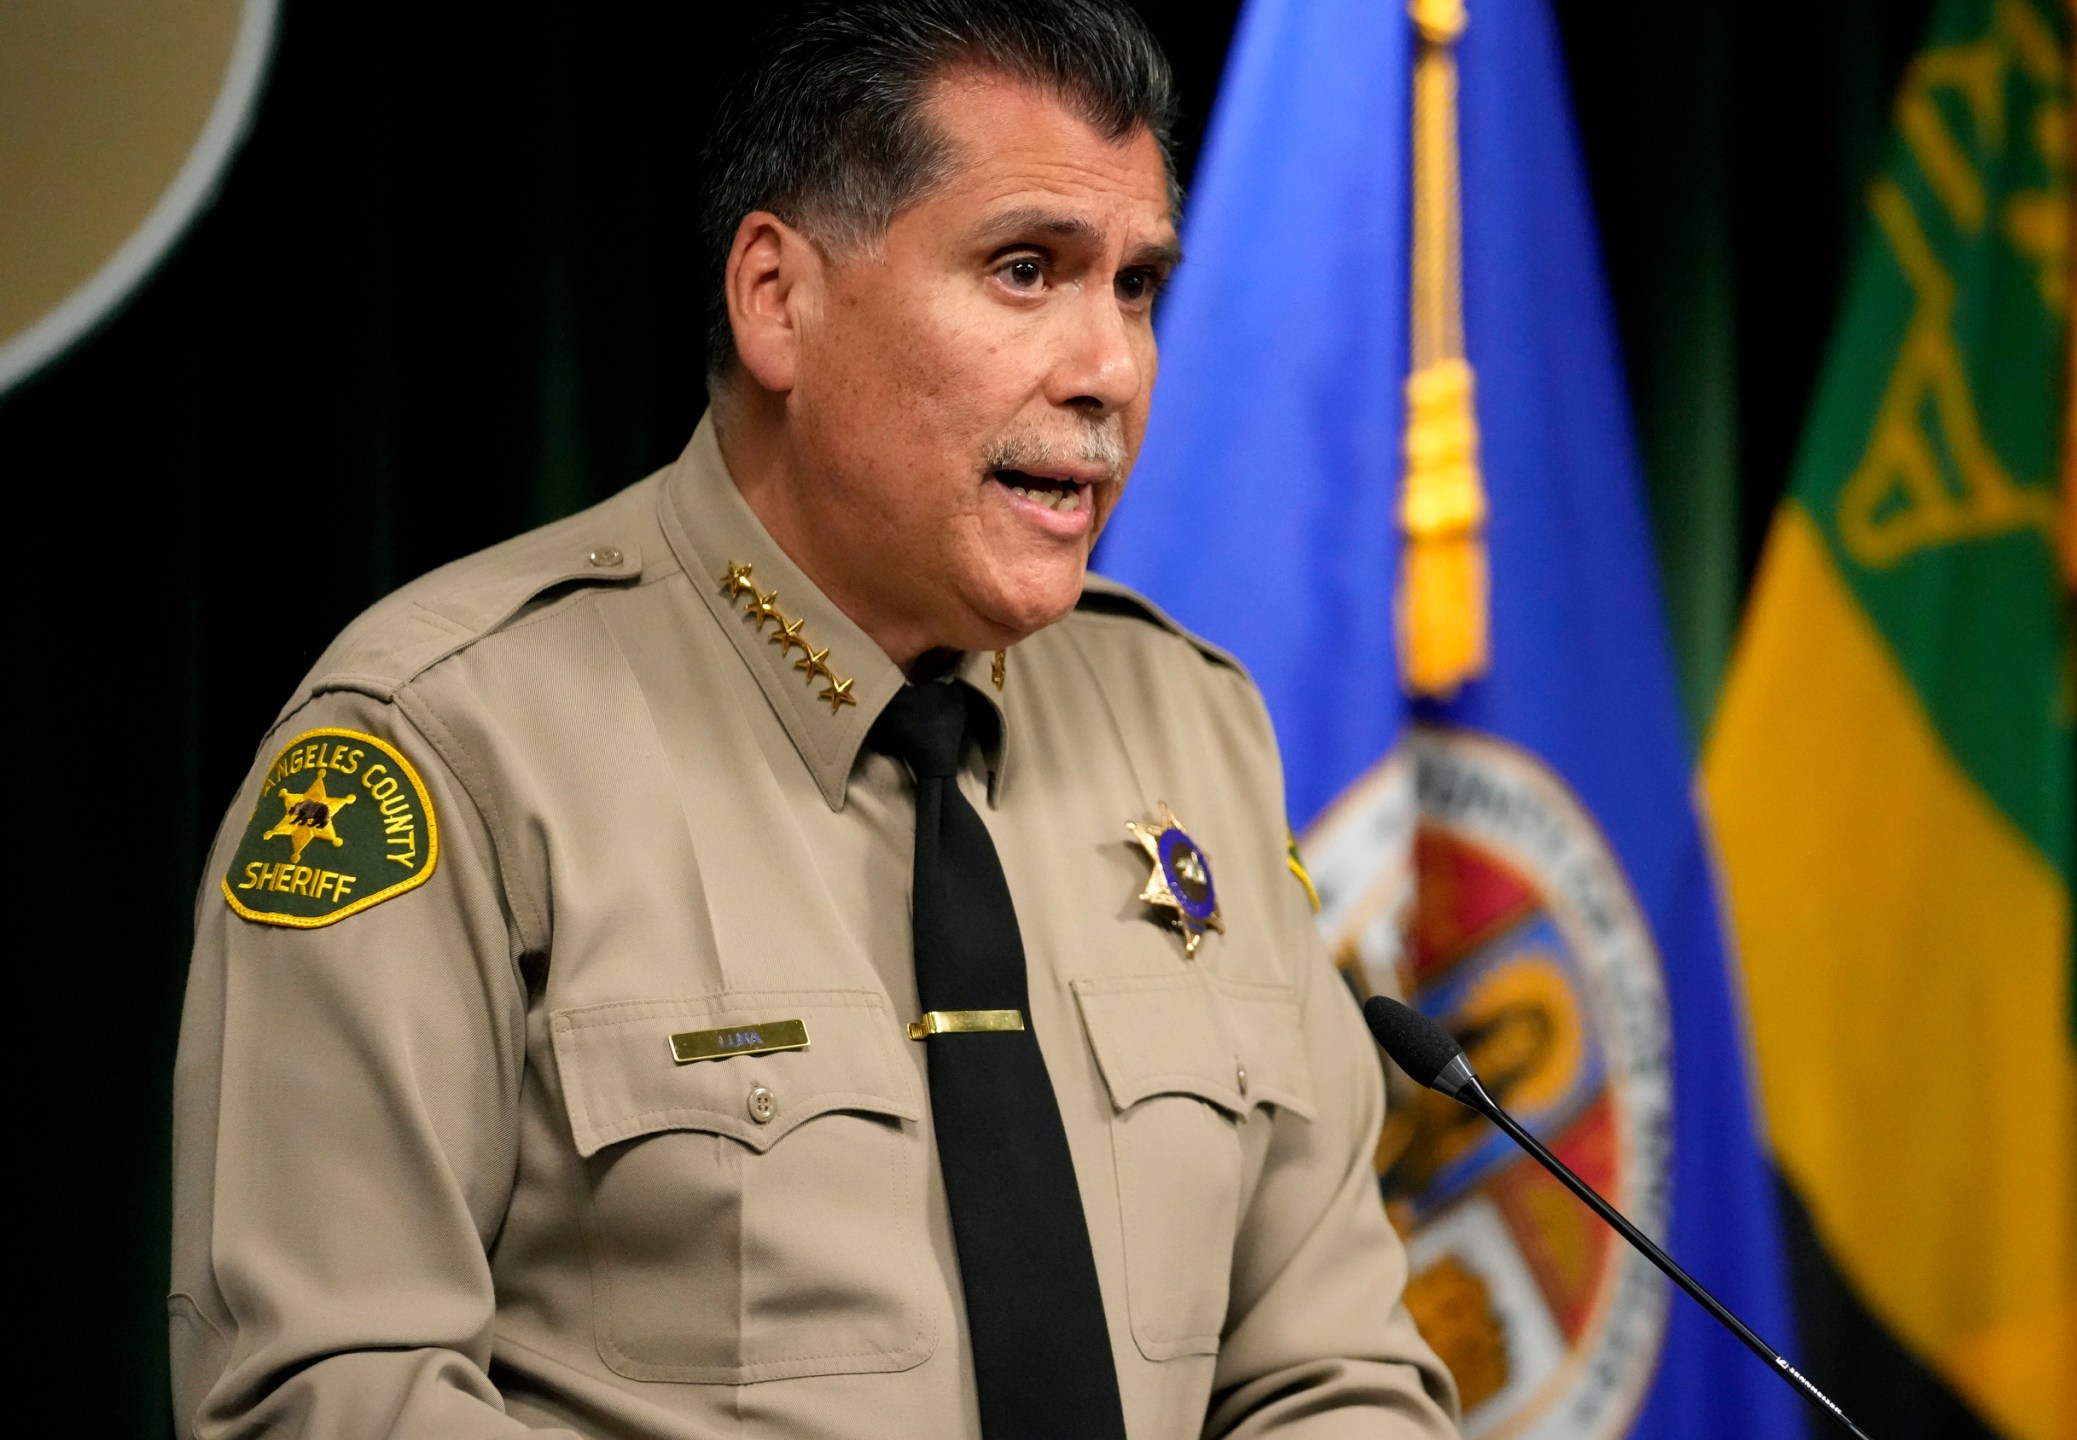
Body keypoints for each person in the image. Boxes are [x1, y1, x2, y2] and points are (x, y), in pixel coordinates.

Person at [166, 3, 1461, 1436]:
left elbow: (1328, 1369)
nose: (1113, 369)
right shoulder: (442, 745)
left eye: (1138, 286)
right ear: (778, 299)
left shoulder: (1196, 725)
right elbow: (330, 1393)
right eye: (1026, 271)